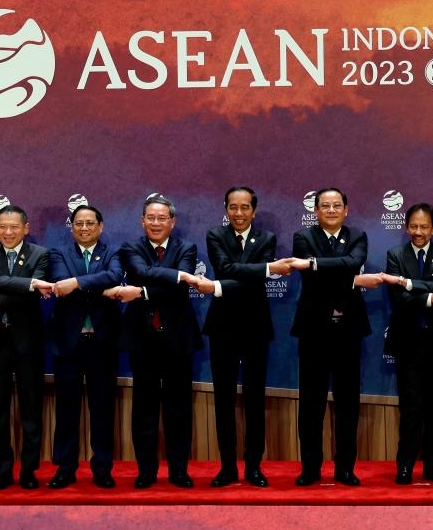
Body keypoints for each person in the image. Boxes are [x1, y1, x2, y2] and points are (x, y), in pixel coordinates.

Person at [289, 188, 383, 486]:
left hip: (349, 328)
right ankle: (311, 469)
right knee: (311, 403)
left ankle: (345, 468)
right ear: (315, 211)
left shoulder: (358, 236)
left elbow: (352, 262)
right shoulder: (303, 237)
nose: (331, 210)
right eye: (325, 206)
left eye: (336, 205)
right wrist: (350, 280)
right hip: (313, 328)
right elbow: (313, 281)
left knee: (347, 403)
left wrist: (316, 264)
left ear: (346, 209)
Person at [200, 187, 292, 488]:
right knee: (223, 400)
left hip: (255, 327)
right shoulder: (216, 236)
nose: (238, 214)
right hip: (222, 327)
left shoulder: (266, 239)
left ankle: (254, 468)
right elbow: (225, 268)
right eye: (233, 207)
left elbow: (242, 279)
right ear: (226, 209)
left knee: (255, 400)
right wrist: (265, 268)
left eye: (244, 208)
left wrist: (226, 283)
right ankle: (227, 468)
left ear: (254, 210)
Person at [116, 194, 203, 489]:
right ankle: (146, 471)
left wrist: (142, 292)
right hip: (143, 339)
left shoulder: (187, 247)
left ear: (172, 222)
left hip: (178, 339)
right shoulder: (131, 248)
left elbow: (181, 291)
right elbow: (141, 272)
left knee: (179, 408)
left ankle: (179, 471)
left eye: (162, 218)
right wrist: (177, 276)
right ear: (142, 221)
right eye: (150, 218)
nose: (156, 223)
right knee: (144, 408)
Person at [380, 203, 433, 485]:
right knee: (411, 408)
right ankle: (405, 467)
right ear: (406, 227)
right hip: (408, 343)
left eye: (424, 227)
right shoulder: (395, 255)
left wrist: (409, 284)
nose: (418, 232)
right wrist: (431, 299)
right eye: (413, 226)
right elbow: (398, 300)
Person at [0, 205, 54, 490]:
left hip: (28, 342)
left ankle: (29, 471)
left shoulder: (41, 254)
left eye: (14, 227)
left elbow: (28, 298)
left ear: (26, 228)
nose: (7, 232)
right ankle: (3, 471)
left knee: (31, 409)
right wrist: (30, 283)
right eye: (2, 227)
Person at [48, 204, 125, 489]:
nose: (84, 228)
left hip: (103, 343)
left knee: (102, 409)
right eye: (78, 223)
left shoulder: (113, 253)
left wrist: (77, 282)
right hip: (68, 343)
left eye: (90, 223)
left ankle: (102, 468)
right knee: (66, 410)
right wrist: (91, 285)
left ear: (100, 226)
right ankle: (65, 468)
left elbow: (114, 276)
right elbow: (59, 281)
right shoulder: (58, 253)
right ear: (72, 227)